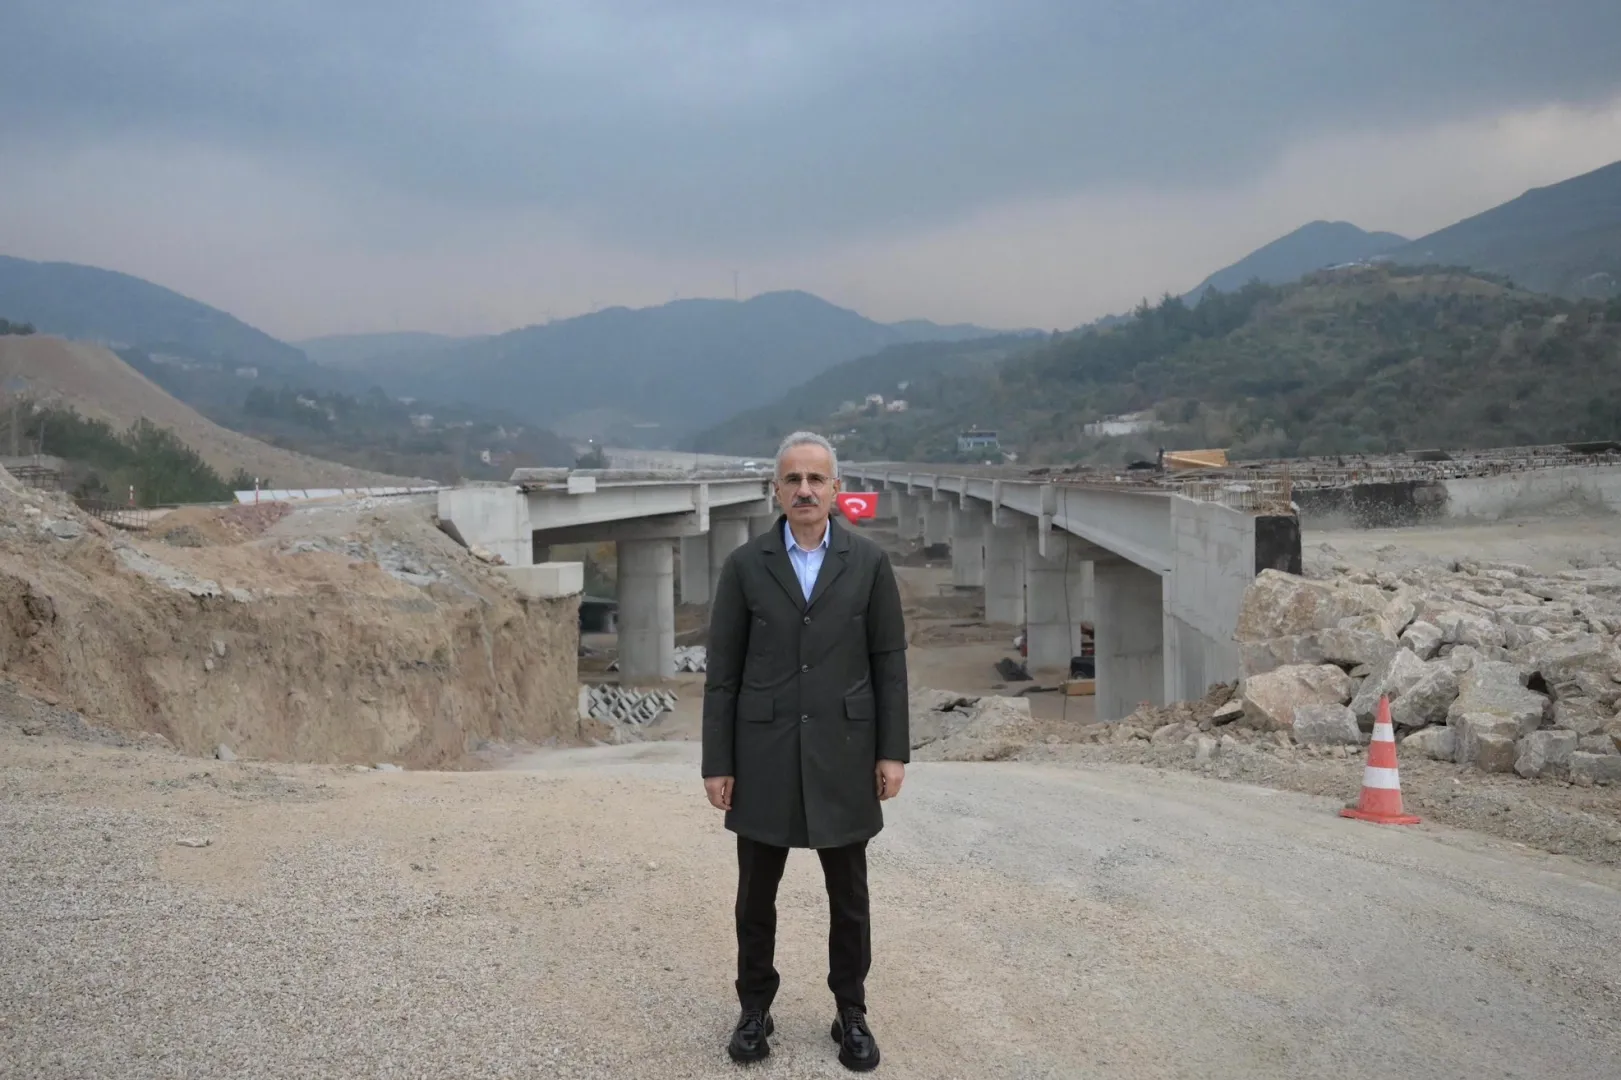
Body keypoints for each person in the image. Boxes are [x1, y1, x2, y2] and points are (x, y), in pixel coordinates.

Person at [702, 431, 909, 1072]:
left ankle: (851, 1011)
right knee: (754, 897)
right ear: (776, 490)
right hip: (762, 754)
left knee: (849, 898)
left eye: (817, 479)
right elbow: (723, 673)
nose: (805, 490)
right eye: (793, 479)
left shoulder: (869, 563)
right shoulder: (745, 565)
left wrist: (892, 751)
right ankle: (754, 1009)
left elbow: (888, 663)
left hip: (844, 752)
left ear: (836, 488)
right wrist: (718, 761)